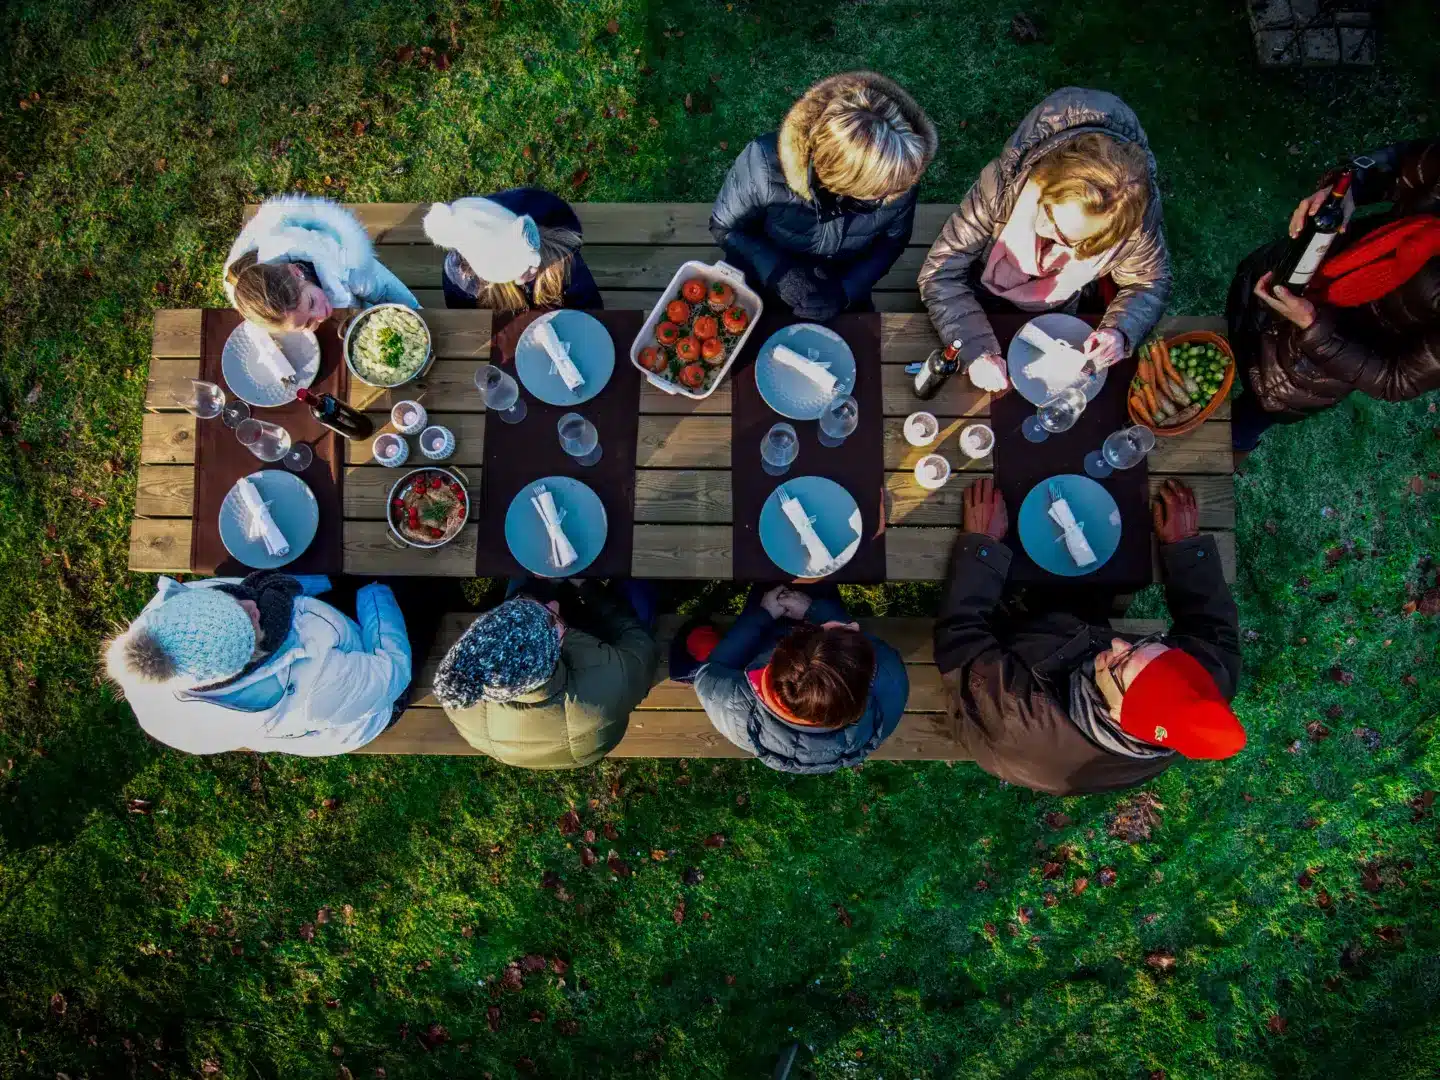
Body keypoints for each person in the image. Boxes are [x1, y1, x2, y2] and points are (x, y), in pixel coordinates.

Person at [934, 478, 1243, 796]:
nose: (1120, 643)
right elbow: (1214, 628)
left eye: (1121, 664)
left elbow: (960, 638)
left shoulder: (1016, 710)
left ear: (1117, 714)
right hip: (1069, 644)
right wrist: (1185, 548)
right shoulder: (1200, 689)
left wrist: (982, 547)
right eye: (1145, 645)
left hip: (987, 711)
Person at [918, 87, 1171, 392]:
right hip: (973, 294)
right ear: (1044, 179)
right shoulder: (1003, 187)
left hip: (1053, 320)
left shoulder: (1134, 226)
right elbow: (941, 274)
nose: (1042, 228)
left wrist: (1120, 332)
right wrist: (975, 350)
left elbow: (1149, 283)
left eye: (1064, 237)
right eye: (1046, 210)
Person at [1227, 139, 1440, 450]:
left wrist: (1313, 327)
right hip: (1296, 272)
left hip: (1306, 366)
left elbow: (1397, 380)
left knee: (1236, 430)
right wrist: (1344, 193)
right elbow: (1397, 163)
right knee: (1211, 350)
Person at [709, 71, 937, 320]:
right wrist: (776, 270)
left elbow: (893, 241)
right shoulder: (764, 163)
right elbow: (725, 227)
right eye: (877, 193)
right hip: (763, 274)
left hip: (839, 283)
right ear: (840, 179)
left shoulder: (899, 179)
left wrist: (845, 291)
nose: (894, 194)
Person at [105, 572, 410, 755]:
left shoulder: (167, 618)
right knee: (422, 598)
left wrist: (329, 579)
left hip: (329, 636)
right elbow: (392, 671)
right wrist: (375, 590)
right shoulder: (312, 688)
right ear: (248, 660)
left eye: (225, 601)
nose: (251, 602)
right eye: (250, 621)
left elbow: (233, 586)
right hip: (371, 706)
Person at [433, 581, 659, 769]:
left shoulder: (463, 688)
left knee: (528, 581)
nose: (554, 604)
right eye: (553, 620)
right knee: (639, 599)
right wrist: (589, 588)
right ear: (552, 654)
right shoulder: (608, 683)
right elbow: (640, 647)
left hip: (565, 742)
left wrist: (534, 586)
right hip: (592, 733)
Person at [688, 586, 908, 774]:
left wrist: (762, 615)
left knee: (765, 580)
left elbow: (709, 673)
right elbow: (875, 650)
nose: (854, 626)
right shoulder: (889, 683)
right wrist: (818, 612)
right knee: (822, 582)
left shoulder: (731, 705)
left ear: (782, 645)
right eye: (849, 629)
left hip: (761, 637)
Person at [223, 195, 419, 331]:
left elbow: (386, 289)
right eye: (307, 324)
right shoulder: (263, 307)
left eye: (312, 302)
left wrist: (419, 319)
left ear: (297, 271)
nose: (321, 316)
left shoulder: (346, 263)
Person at [423, 190, 603, 312]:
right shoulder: (462, 277)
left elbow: (589, 304)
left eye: (533, 260)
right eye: (520, 270)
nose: (533, 270)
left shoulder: (558, 253)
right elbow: (466, 317)